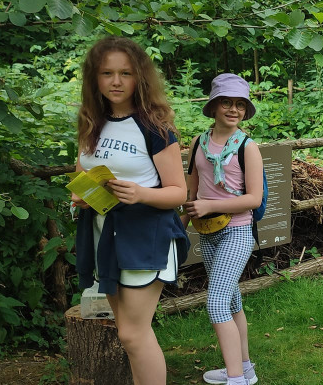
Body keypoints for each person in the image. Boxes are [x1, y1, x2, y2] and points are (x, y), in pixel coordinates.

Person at [73, 36, 188, 385]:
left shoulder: (155, 127)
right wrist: (82, 195)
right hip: (104, 234)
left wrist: (140, 193)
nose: (116, 81)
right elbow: (82, 173)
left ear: (140, 77)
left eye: (125, 73)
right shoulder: (92, 122)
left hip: (145, 237)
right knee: (126, 333)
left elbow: (178, 193)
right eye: (107, 73)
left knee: (134, 335)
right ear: (95, 78)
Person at [182, 73, 264, 385]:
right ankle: (244, 369)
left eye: (240, 104)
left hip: (237, 232)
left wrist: (211, 205)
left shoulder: (248, 147)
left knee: (215, 304)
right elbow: (192, 192)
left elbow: (253, 199)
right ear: (214, 106)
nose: (233, 109)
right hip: (207, 232)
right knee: (231, 302)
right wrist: (181, 227)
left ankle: (235, 380)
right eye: (227, 103)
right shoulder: (198, 144)